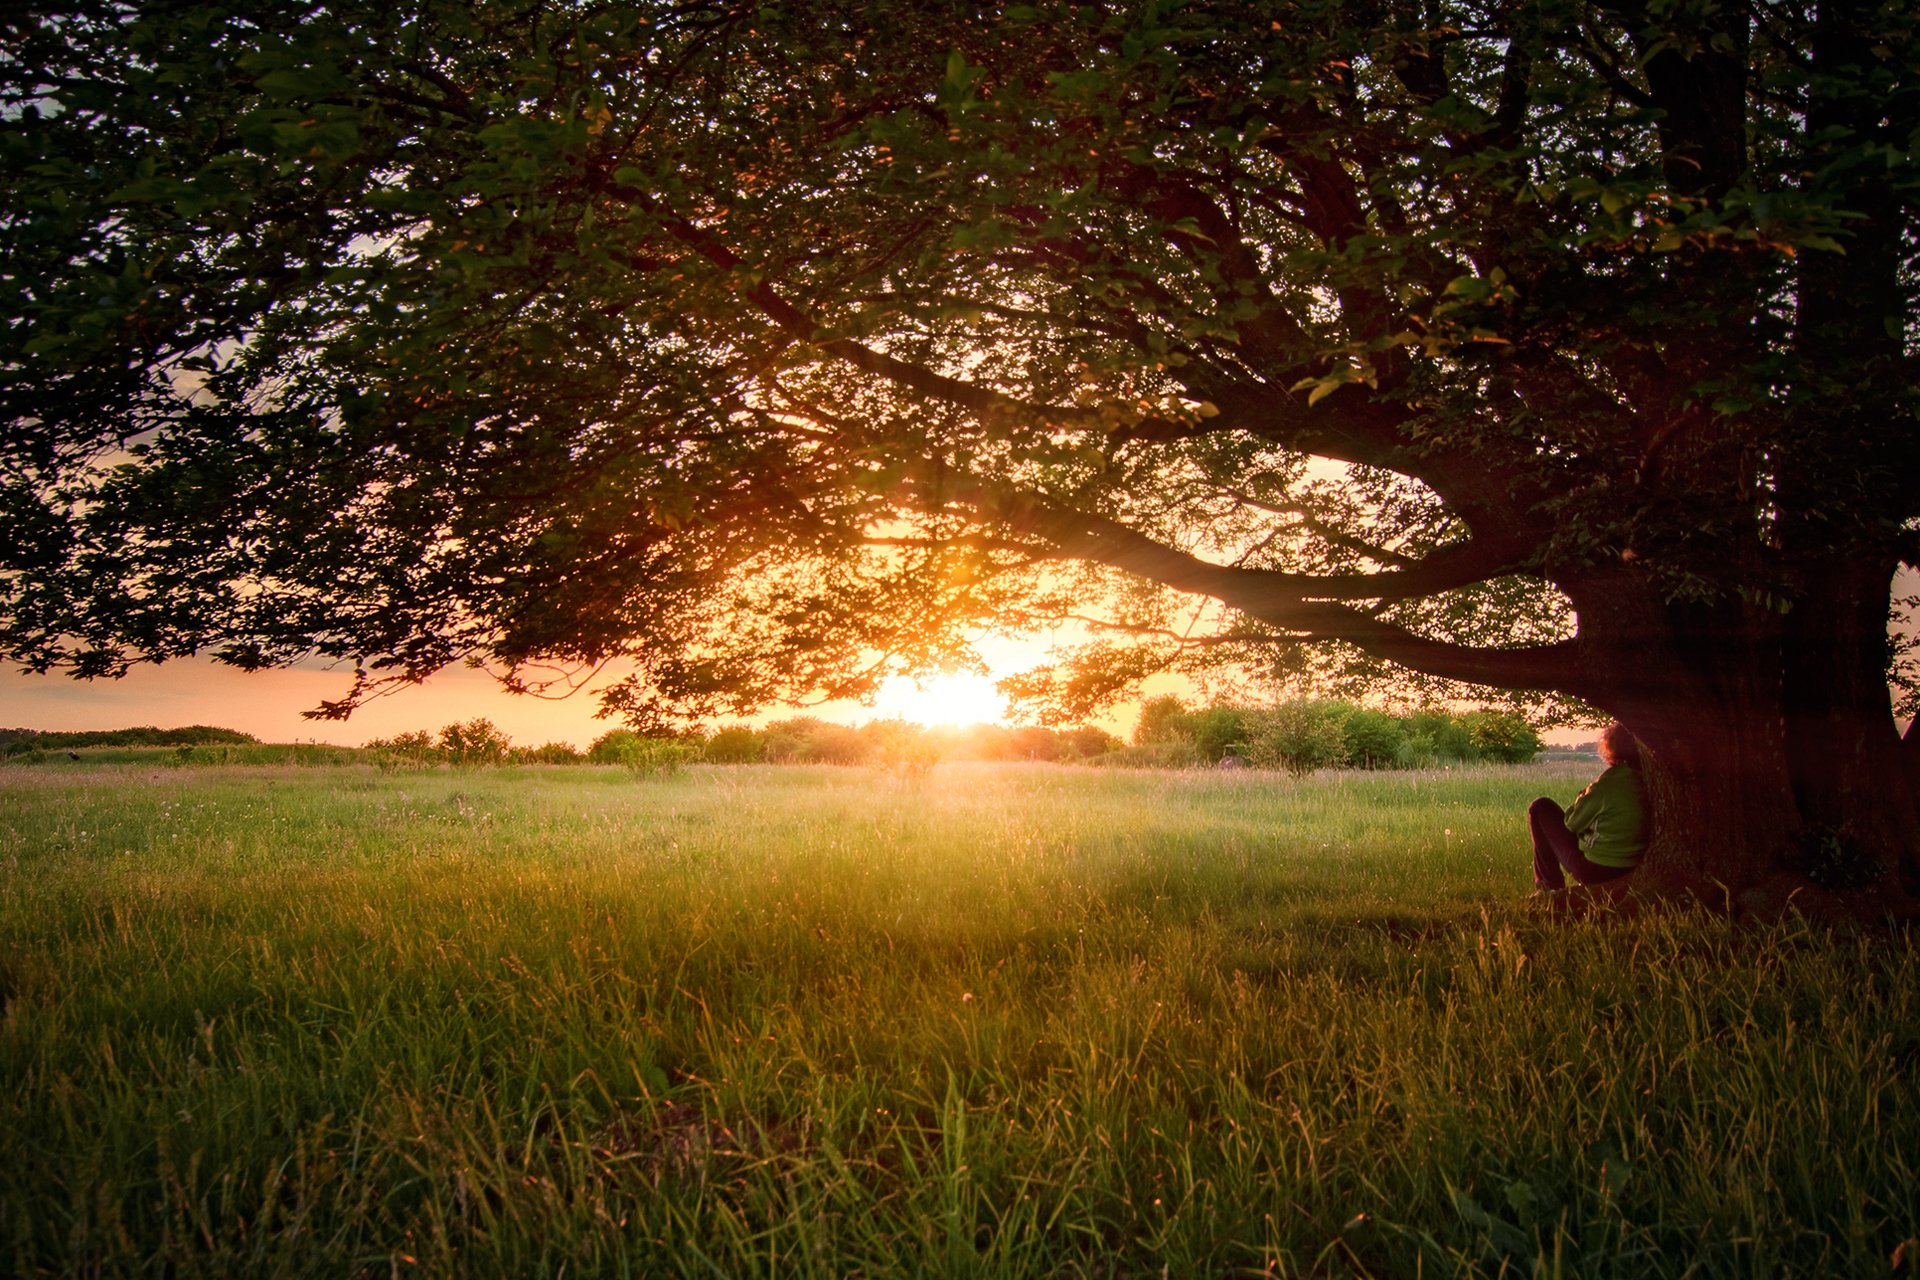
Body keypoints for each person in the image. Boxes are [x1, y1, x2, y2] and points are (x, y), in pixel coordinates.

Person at [1528, 723, 1648, 891]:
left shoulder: (1607, 784)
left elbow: (1571, 823)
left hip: (1595, 870)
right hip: (1631, 865)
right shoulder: (1648, 780)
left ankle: (1548, 887)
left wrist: (1581, 796)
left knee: (1540, 807)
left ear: (1611, 746)